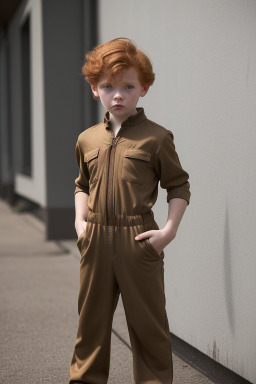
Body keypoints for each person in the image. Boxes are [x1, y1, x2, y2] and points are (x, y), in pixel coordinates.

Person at [69, 37, 191, 384]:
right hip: (94, 240)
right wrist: (80, 223)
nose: (118, 95)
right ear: (95, 89)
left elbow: (178, 186)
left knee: (149, 327)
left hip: (138, 240)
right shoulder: (87, 139)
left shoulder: (156, 138)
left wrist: (168, 232)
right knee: (90, 326)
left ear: (144, 88)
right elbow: (82, 184)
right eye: (108, 86)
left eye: (127, 86)